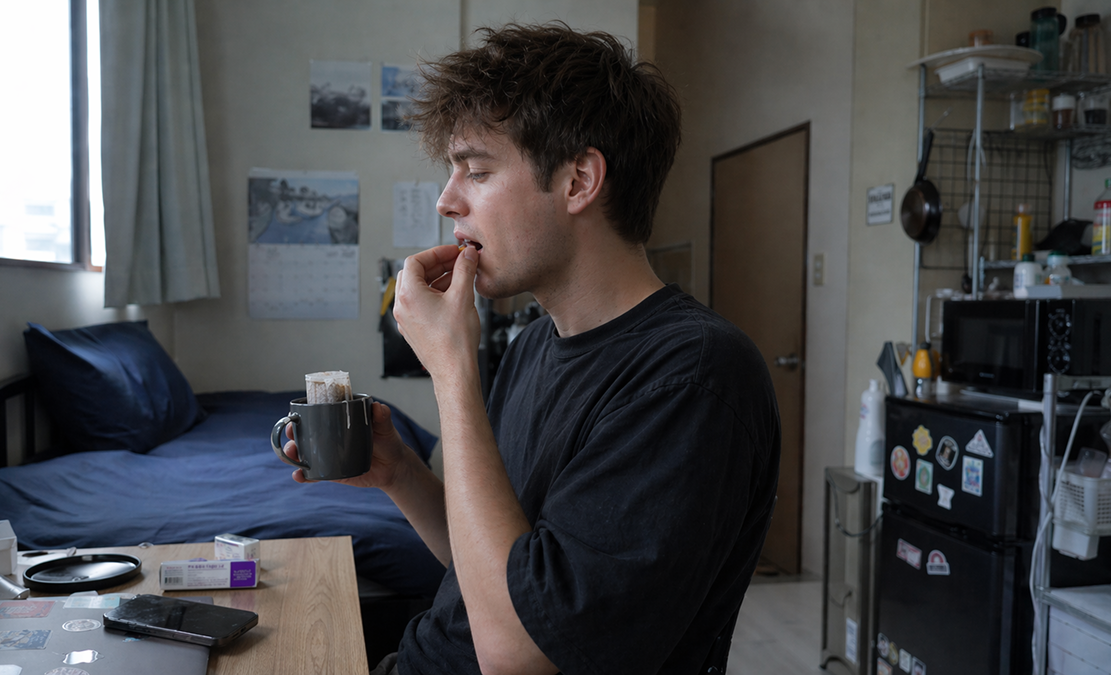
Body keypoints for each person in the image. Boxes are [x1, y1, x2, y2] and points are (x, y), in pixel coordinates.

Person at [285, 22, 780, 675]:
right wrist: (399, 473)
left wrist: (452, 370)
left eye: (477, 171)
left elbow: (521, 652)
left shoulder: (693, 378)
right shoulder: (533, 345)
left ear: (579, 181)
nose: (447, 200)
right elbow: (497, 572)